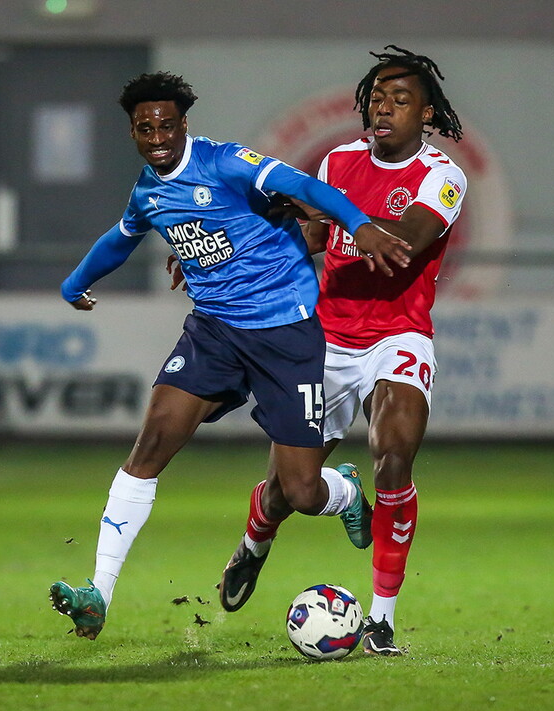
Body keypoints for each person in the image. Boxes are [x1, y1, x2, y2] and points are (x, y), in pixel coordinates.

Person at [48, 71, 412, 640]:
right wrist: (76, 282)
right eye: (146, 128)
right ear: (134, 133)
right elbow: (121, 237)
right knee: (151, 442)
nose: (158, 136)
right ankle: (98, 591)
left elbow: (304, 186)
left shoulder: (225, 163)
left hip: (285, 337)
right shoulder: (149, 190)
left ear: (183, 124)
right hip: (213, 334)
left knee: (299, 490)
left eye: (167, 124)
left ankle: (343, 492)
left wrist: (358, 224)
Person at [214, 46, 467, 656]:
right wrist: (251, 239)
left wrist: (329, 212)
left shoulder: (441, 177)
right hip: (324, 339)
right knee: (291, 493)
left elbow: (404, 243)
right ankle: (255, 540)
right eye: (377, 98)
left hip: (398, 336)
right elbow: (313, 234)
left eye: (400, 100)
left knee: (396, 459)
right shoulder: (338, 161)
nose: (384, 109)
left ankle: (381, 619)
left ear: (425, 113)